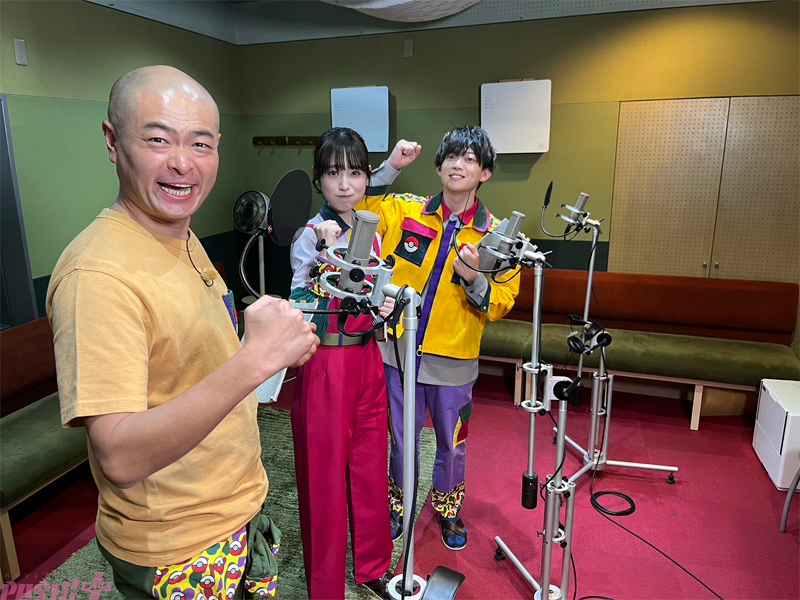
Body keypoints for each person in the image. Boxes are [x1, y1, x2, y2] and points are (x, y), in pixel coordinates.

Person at [46, 65, 319, 599]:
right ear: (112, 141)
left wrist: (266, 349)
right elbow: (120, 456)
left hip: (234, 508)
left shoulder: (180, 234)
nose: (182, 162)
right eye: (157, 139)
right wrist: (255, 360)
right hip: (179, 546)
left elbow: (190, 368)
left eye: (200, 143)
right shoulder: (97, 276)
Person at [357, 125, 520, 551]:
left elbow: (502, 302)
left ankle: (448, 511)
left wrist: (473, 278)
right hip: (398, 352)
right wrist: (391, 166)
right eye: (451, 156)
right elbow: (360, 204)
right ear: (438, 166)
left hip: (453, 360)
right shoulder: (405, 210)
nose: (458, 165)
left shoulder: (498, 237)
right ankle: (399, 504)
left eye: (470, 159)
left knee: (451, 442)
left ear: (485, 172)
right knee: (401, 438)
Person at [288, 128, 420, 599]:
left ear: (366, 177)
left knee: (369, 466)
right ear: (318, 179)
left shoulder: (372, 231)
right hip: (325, 364)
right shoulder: (309, 236)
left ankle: (373, 567)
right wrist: (323, 256)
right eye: (333, 173)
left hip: (368, 359)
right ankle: (325, 588)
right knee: (323, 479)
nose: (345, 184)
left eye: (355, 173)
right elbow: (298, 303)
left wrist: (382, 307)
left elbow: (375, 296)